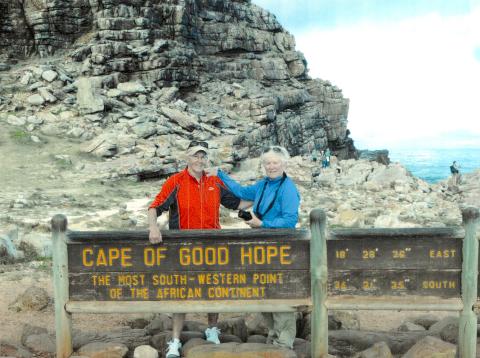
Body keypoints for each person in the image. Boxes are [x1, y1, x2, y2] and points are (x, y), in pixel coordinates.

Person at [148, 140, 248, 358]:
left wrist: (263, 197)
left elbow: (238, 203)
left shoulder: (215, 181)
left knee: (213, 288)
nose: (199, 160)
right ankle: (175, 341)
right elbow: (155, 206)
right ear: (187, 157)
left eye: (203, 156)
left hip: (212, 246)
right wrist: (153, 227)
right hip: (183, 247)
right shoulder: (175, 181)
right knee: (181, 293)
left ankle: (212, 330)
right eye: (195, 156)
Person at [205, 145, 301, 348]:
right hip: (261, 247)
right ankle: (273, 336)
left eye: (275, 162)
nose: (271, 166)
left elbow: (290, 220)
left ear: (283, 163)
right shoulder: (263, 184)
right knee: (265, 291)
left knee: (279, 293)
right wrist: (220, 174)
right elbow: (240, 191)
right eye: (267, 163)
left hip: (280, 249)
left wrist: (262, 224)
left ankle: (284, 344)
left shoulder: (288, 188)